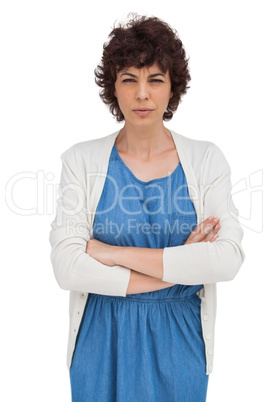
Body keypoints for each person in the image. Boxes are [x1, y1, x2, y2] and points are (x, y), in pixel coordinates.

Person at [49, 14, 245, 402]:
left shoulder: (206, 161)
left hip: (180, 342)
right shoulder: (80, 161)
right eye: (129, 79)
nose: (142, 94)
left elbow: (227, 259)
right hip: (101, 338)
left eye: (155, 79)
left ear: (172, 89)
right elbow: (67, 266)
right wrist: (179, 268)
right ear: (114, 89)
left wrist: (110, 253)